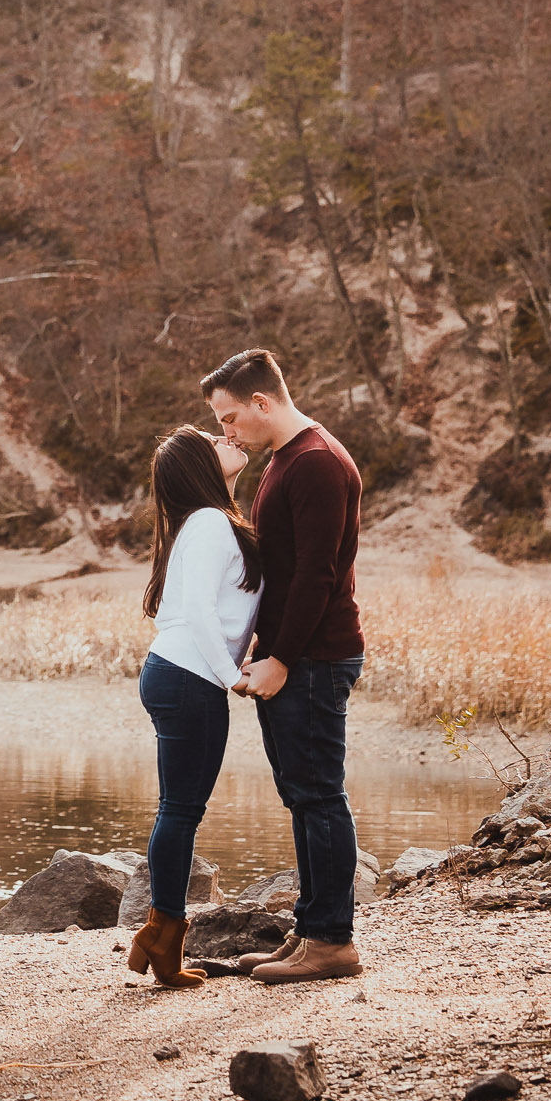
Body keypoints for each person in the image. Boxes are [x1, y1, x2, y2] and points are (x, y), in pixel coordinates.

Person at [205, 347, 368, 985]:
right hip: (296, 654)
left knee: (320, 796)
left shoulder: (318, 463)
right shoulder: (285, 460)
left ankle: (332, 942)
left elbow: (316, 576)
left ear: (262, 403)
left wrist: (279, 658)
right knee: (302, 796)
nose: (226, 429)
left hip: (315, 656)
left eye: (228, 417)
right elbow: (276, 556)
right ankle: (312, 930)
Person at [127, 425, 262, 989]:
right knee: (180, 811)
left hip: (178, 673)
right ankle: (162, 937)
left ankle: (159, 937)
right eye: (214, 439)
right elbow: (204, 614)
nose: (226, 437)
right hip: (188, 676)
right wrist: (233, 676)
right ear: (202, 467)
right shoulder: (209, 523)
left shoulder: (207, 522)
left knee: (179, 810)